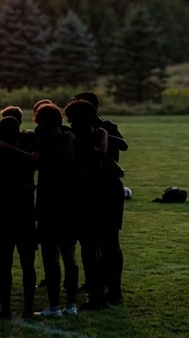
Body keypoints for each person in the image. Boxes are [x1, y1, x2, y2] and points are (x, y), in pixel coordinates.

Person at [72, 92, 128, 305]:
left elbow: (124, 145)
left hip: (102, 188)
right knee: (92, 242)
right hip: (95, 188)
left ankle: (112, 290)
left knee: (107, 243)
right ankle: (96, 285)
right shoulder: (78, 130)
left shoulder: (106, 127)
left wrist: (100, 132)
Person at [0, 116, 37, 320]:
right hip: (26, 212)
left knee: (5, 265)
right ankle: (28, 308)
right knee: (28, 263)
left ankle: (6, 310)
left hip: (5, 213)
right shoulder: (27, 152)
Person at [32, 102, 76, 317]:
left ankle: (54, 306)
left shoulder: (44, 139)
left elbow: (34, 161)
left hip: (48, 201)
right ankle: (72, 304)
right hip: (69, 201)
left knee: (51, 257)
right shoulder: (70, 136)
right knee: (70, 256)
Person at [65, 99, 109, 310]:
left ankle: (96, 296)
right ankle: (97, 292)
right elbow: (102, 152)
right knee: (93, 248)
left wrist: (75, 145)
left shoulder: (75, 136)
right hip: (97, 195)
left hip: (81, 196)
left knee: (87, 249)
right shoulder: (100, 133)